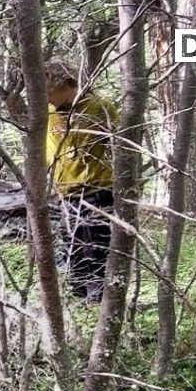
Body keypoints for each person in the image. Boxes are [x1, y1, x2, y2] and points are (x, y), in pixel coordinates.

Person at [44, 61, 118, 303]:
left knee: (96, 253)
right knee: (72, 252)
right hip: (65, 194)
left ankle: (97, 305)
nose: (46, 96)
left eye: (49, 89)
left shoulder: (99, 107)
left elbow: (120, 148)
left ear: (66, 84)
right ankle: (77, 305)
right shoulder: (48, 113)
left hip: (98, 191)